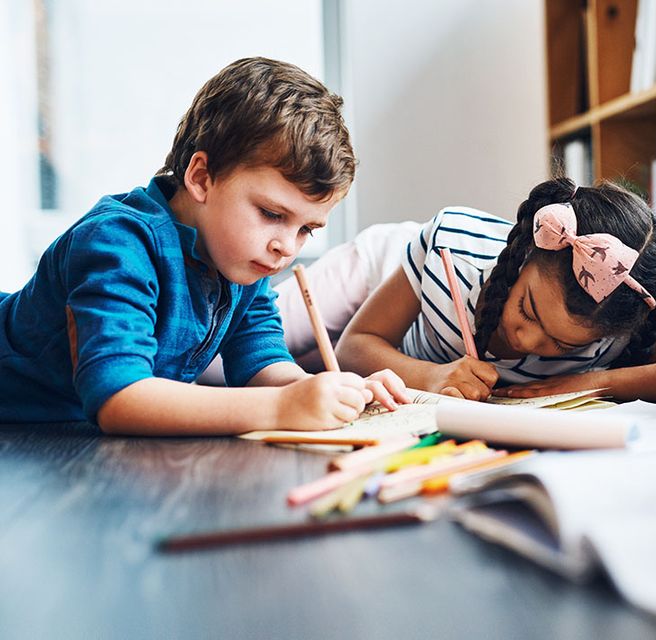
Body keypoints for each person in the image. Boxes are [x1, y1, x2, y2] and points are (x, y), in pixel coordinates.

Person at [0, 57, 407, 436]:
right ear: (201, 177)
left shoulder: (239, 261)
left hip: (69, 435)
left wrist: (330, 394)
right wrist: (281, 407)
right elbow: (118, 397)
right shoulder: (118, 242)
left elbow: (262, 364)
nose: (286, 247)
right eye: (271, 213)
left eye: (307, 230)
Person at [332, 178, 656, 401]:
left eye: (561, 345)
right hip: (376, 263)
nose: (527, 340)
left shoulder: (610, 331)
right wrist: (431, 376)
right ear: (526, 253)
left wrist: (600, 380)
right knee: (284, 344)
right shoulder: (450, 248)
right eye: (527, 309)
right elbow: (352, 348)